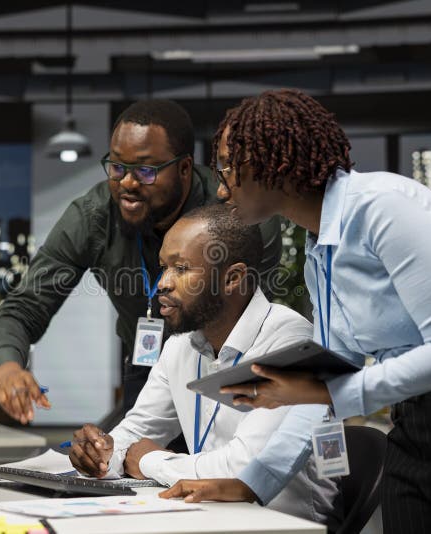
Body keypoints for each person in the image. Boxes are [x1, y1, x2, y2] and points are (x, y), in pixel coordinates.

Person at [160, 88, 431, 533]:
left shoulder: (382, 207)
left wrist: (327, 392)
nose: (221, 187)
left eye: (229, 168)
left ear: (275, 164)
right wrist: (252, 483)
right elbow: (327, 378)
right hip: (416, 420)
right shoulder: (319, 253)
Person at [0, 100, 283, 424]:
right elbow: (23, 307)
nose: (127, 182)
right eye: (117, 167)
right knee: (104, 451)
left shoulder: (239, 215)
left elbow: (250, 324)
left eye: (145, 171)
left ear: (184, 169)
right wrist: (8, 368)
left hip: (220, 370)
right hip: (145, 369)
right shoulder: (93, 217)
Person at [68, 204, 341, 528]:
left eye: (181, 268)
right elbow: (136, 433)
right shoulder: (180, 346)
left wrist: (150, 460)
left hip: (280, 525)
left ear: (233, 278)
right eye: (164, 267)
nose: (163, 283)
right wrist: (101, 455)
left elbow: (244, 470)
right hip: (207, 517)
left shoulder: (289, 342)